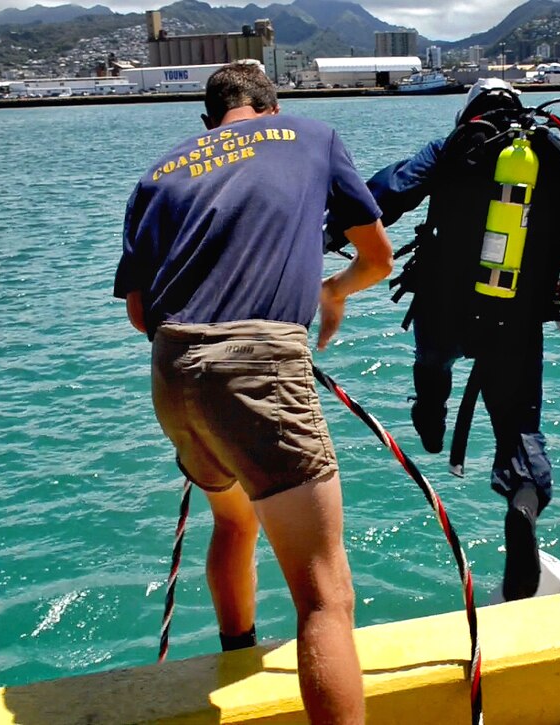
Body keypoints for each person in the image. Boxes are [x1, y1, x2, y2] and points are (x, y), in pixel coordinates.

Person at [113, 61, 393, 723]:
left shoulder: (158, 173)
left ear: (210, 122)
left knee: (234, 519)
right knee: (325, 595)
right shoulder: (311, 136)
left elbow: (137, 311)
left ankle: (237, 653)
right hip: (261, 363)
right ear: (272, 108)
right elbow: (378, 257)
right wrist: (330, 292)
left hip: (174, 369)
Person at [364, 78, 560, 601]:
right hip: (515, 315)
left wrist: (323, 233)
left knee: (433, 365)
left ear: (469, 112)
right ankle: (523, 504)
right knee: (518, 427)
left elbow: (385, 194)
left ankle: (432, 421)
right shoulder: (551, 154)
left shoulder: (456, 145)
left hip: (444, 310)